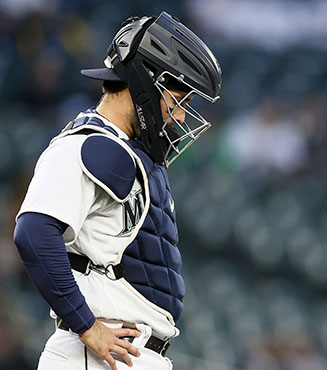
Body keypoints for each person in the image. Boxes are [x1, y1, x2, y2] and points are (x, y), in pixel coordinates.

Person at [13, 12, 221, 370]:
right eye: (178, 99)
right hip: (97, 353)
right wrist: (86, 326)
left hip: (131, 354)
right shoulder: (87, 145)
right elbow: (33, 233)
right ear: (144, 83)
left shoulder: (131, 154)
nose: (183, 117)